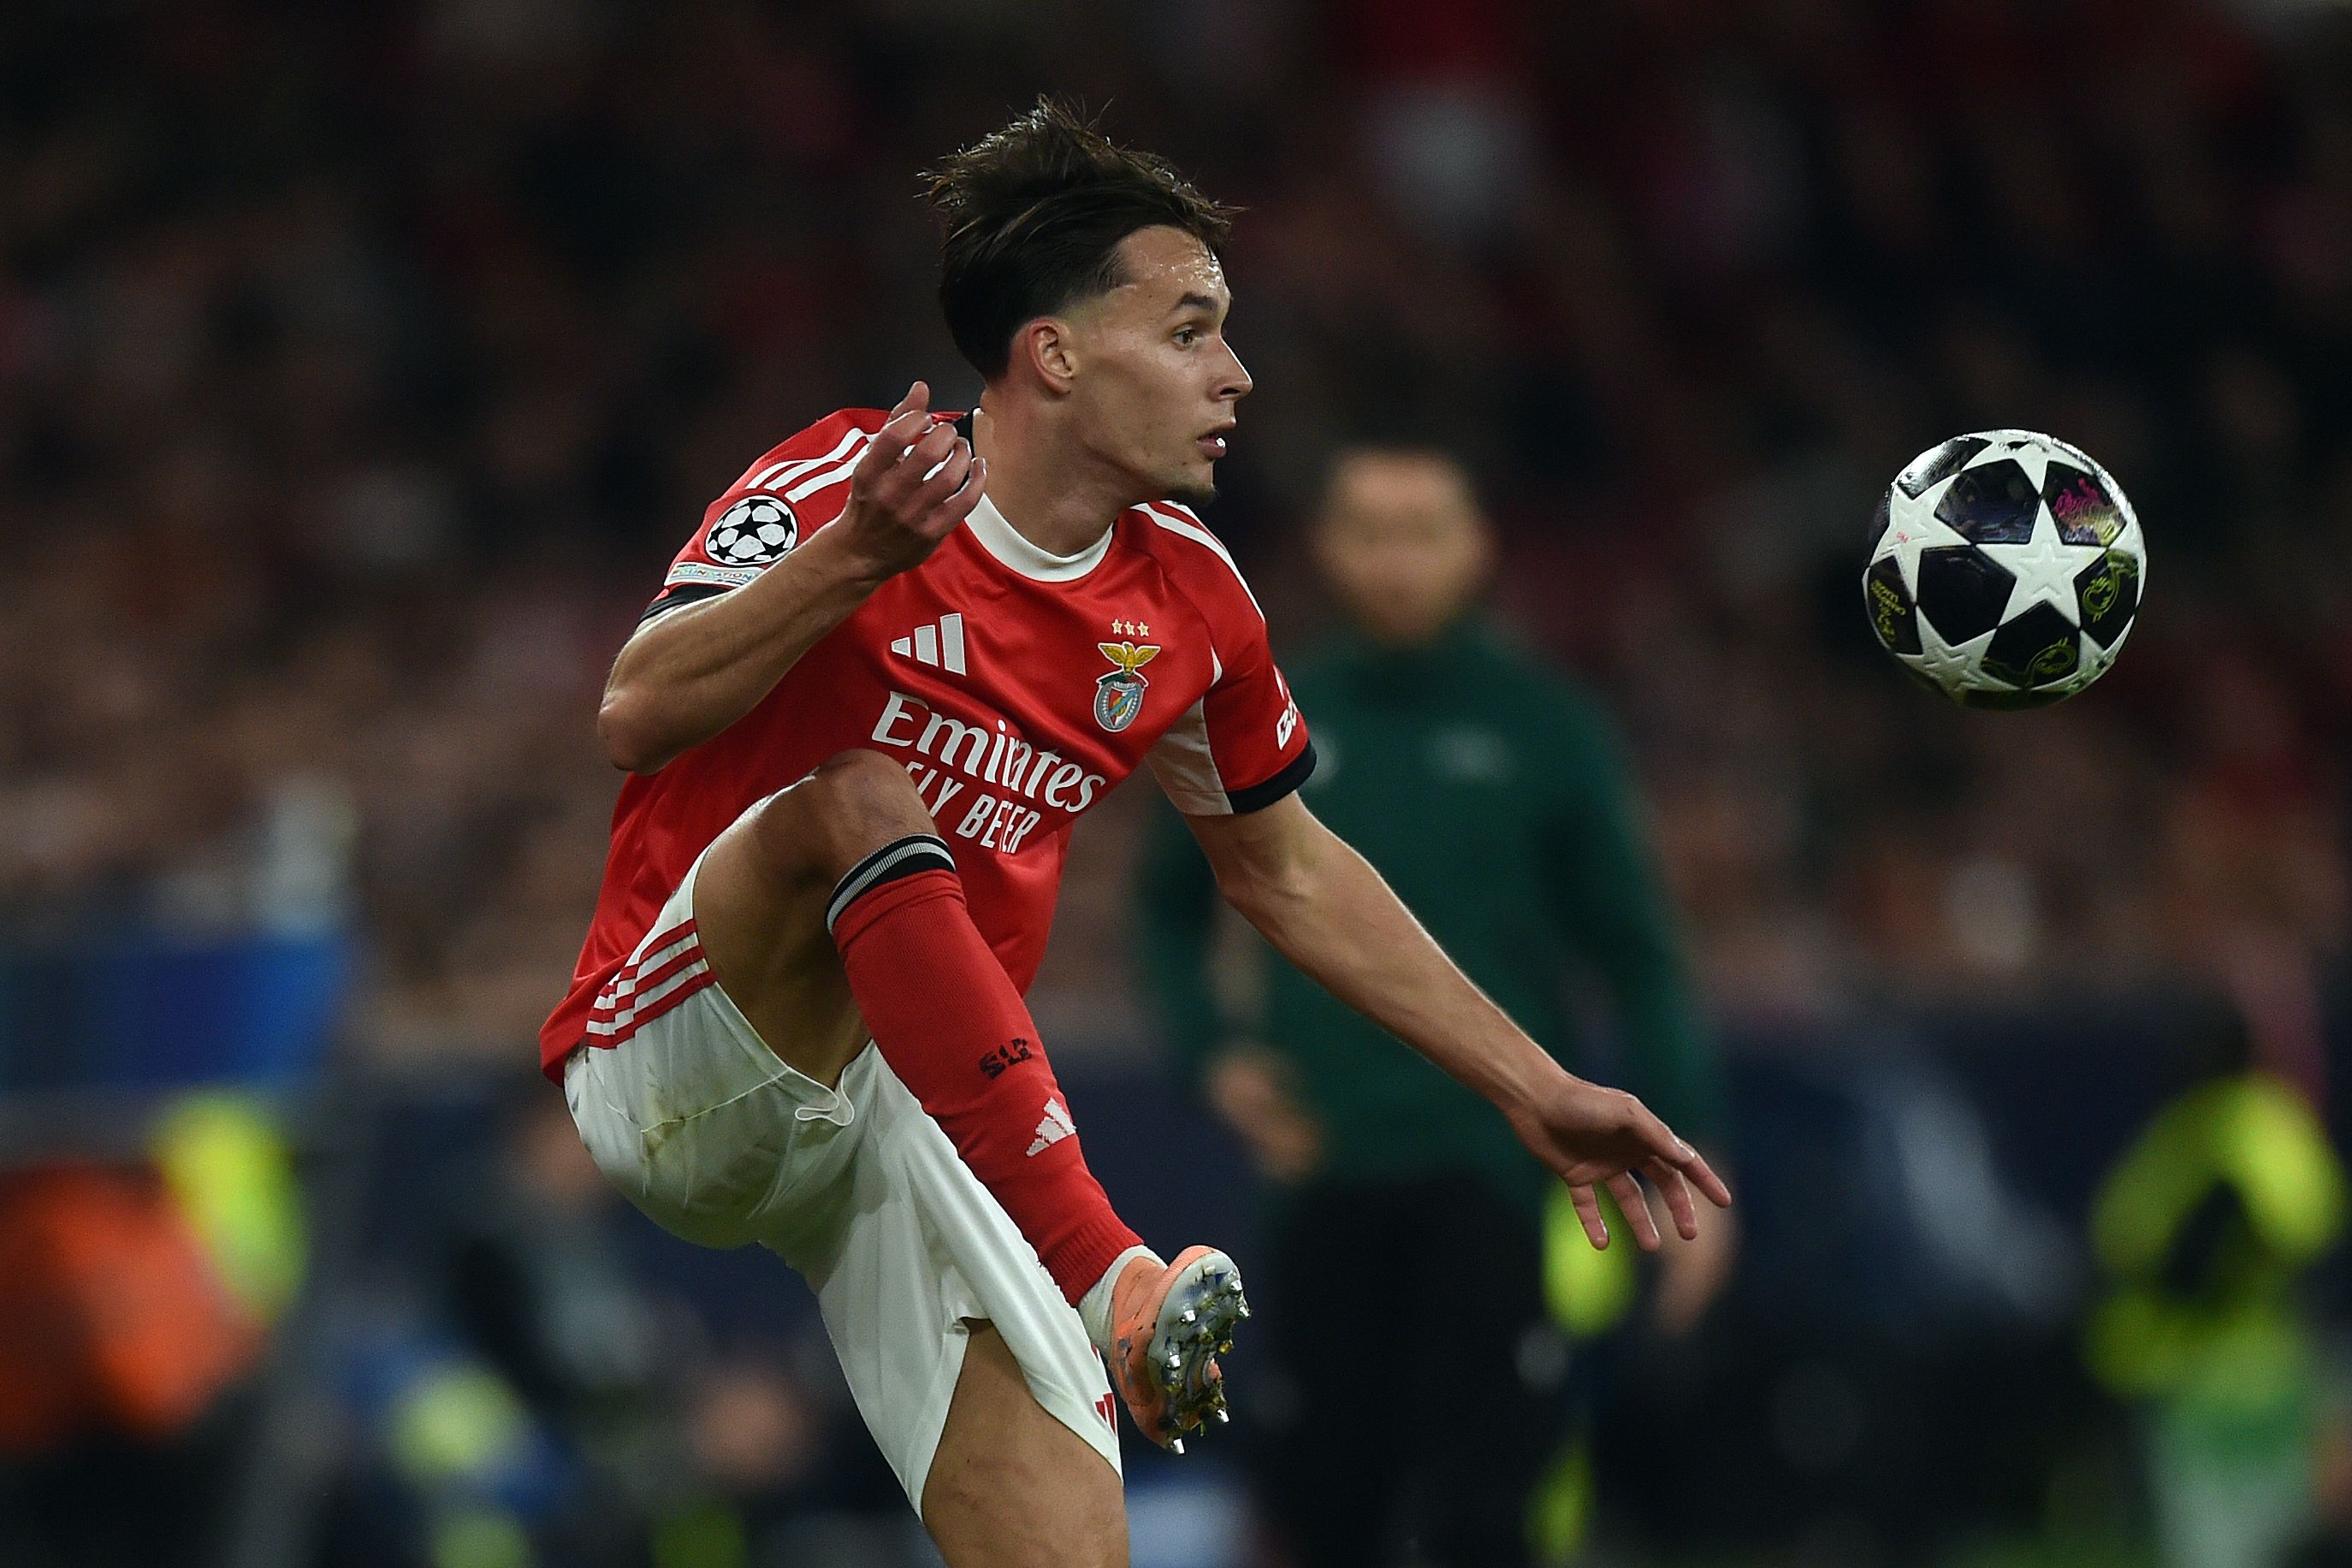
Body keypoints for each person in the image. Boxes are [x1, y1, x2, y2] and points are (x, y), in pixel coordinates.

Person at [543, 101, 1729, 1568]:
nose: (1234, 373)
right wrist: (857, 553)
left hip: (908, 1120)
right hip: (688, 1046)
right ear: (1053, 353)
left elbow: (1286, 870)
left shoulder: (1190, 601)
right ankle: (1113, 1270)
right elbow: (636, 710)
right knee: (862, 797)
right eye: (1188, 330)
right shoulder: (848, 477)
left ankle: (1098, 1279)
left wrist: (1533, 1083)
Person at [1139, 448, 1733, 1568]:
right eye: (1370, 529)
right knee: (1322, 1508)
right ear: (1327, 547)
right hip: (1325, 1164)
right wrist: (1206, 1051)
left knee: (1485, 1514)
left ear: (1475, 548)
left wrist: (1691, 1138)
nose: (1397, 559)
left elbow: (1639, 955)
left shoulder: (1547, 730)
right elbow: (1166, 909)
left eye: (1423, 530)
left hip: (1491, 1173)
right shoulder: (1267, 704)